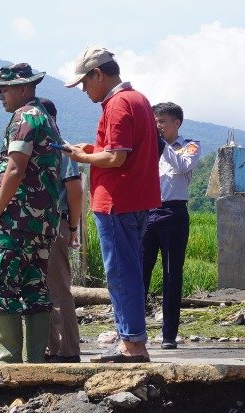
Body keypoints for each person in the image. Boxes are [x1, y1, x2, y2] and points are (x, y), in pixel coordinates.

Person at [65, 47, 160, 364]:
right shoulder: (138, 99)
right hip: (137, 198)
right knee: (128, 270)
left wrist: (83, 157)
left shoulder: (117, 104)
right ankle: (130, 340)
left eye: (84, 82)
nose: (84, 90)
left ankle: (132, 344)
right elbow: (121, 150)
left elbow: (117, 157)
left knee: (120, 273)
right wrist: (93, 149)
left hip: (116, 200)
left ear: (98, 74)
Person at [0, 63, 63, 363]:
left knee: (0, 277)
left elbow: (15, 169)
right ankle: (35, 356)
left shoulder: (24, 116)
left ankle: (10, 354)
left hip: (18, 218)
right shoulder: (45, 116)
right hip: (42, 221)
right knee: (34, 284)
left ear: (24, 88)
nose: (1, 96)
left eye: (5, 89)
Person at [142, 103, 200, 350]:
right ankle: (134, 334)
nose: (157, 126)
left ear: (176, 123)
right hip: (146, 212)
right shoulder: (147, 146)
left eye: (162, 121)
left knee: (171, 275)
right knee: (140, 273)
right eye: (155, 121)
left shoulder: (189, 145)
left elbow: (182, 166)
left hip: (173, 213)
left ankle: (169, 335)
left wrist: (162, 145)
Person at [36, 98, 83, 362]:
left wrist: (73, 227)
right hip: (37, 225)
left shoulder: (61, 148)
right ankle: (52, 347)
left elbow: (75, 191)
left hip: (56, 222)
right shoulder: (36, 147)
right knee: (42, 288)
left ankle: (68, 349)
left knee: (58, 287)